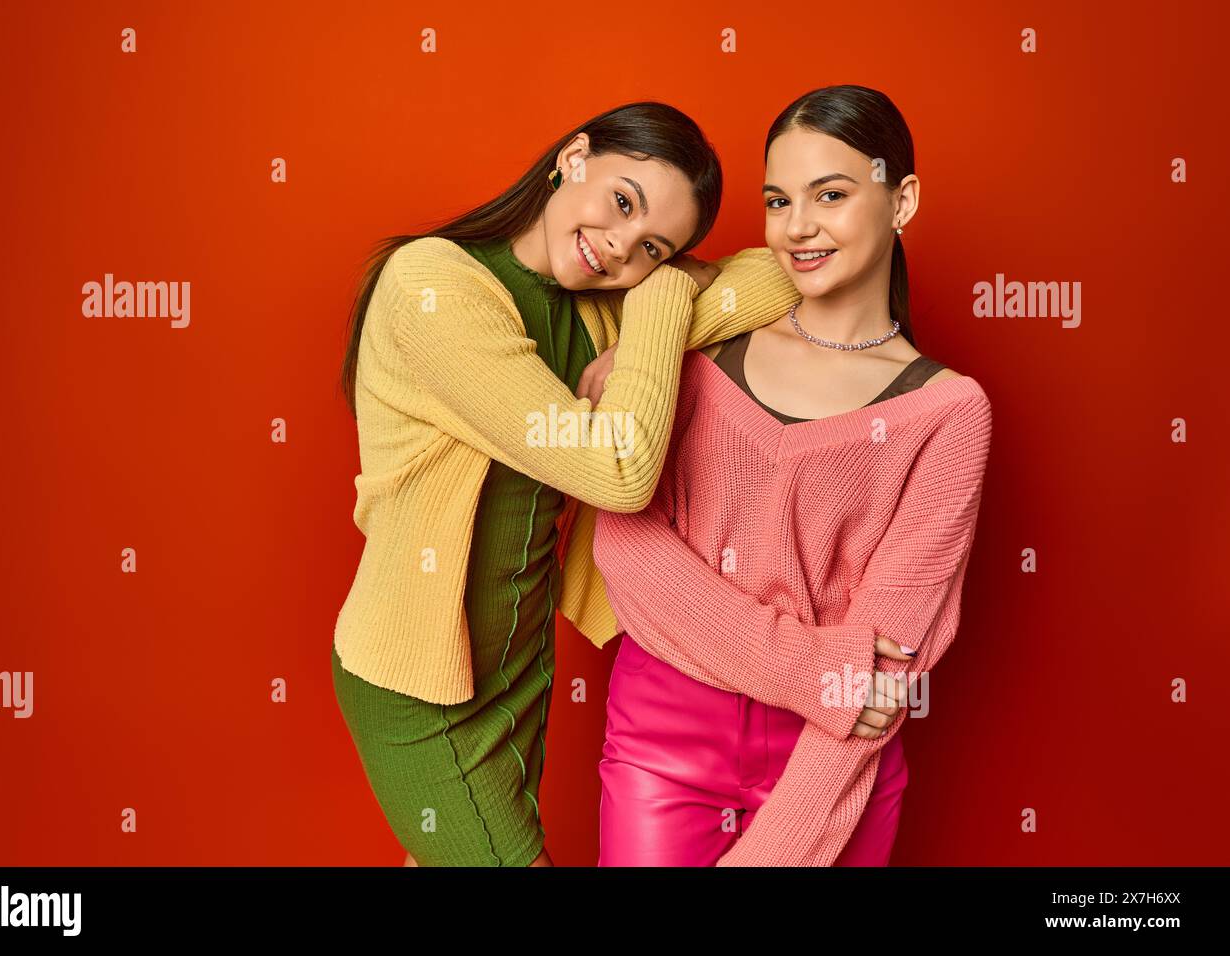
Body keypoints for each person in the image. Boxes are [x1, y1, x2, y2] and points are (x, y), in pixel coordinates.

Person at [332, 101, 800, 867]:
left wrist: (657, 303)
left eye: (654, 247)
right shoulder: (432, 285)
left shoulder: (598, 305)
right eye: (621, 201)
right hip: (424, 689)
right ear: (573, 157)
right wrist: (662, 303)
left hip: (519, 667)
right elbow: (616, 469)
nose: (619, 247)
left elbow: (779, 275)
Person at [589, 85, 994, 866]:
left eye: (831, 195)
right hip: (663, 737)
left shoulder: (949, 413)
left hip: (832, 765)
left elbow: (885, 670)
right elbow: (628, 553)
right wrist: (818, 671)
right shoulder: (695, 362)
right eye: (779, 199)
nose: (798, 227)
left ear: (901, 199)